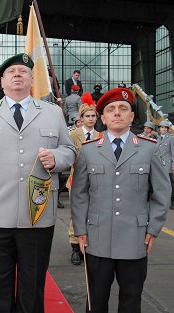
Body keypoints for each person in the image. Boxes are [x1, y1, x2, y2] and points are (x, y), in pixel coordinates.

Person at [0, 53, 76, 313]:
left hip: (37, 214)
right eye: (11, 72)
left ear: (31, 79)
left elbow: (69, 150)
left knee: (32, 285)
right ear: (1, 82)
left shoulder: (52, 113)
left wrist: (56, 157)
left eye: (23, 71)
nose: (17, 75)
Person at [71, 87, 171, 313]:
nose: (117, 113)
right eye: (111, 109)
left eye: (123, 108)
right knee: (95, 302)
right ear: (103, 118)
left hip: (134, 239)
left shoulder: (149, 149)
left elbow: (161, 193)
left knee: (131, 300)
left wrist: (153, 228)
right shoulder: (88, 151)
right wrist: (80, 230)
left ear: (132, 116)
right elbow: (79, 194)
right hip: (97, 238)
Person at [67, 93, 101, 266]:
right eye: (87, 116)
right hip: (77, 179)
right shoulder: (74, 135)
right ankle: (74, 248)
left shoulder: (101, 136)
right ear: (81, 118)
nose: (90, 119)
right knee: (76, 214)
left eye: (93, 115)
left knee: (93, 213)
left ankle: (88, 246)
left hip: (95, 182)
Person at [157, 120, 174, 210]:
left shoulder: (171, 138)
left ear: (167, 129)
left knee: (170, 184)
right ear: (159, 129)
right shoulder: (157, 139)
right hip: (159, 166)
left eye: (165, 127)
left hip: (168, 166)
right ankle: (162, 202)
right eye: (162, 127)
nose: (164, 129)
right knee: (160, 185)